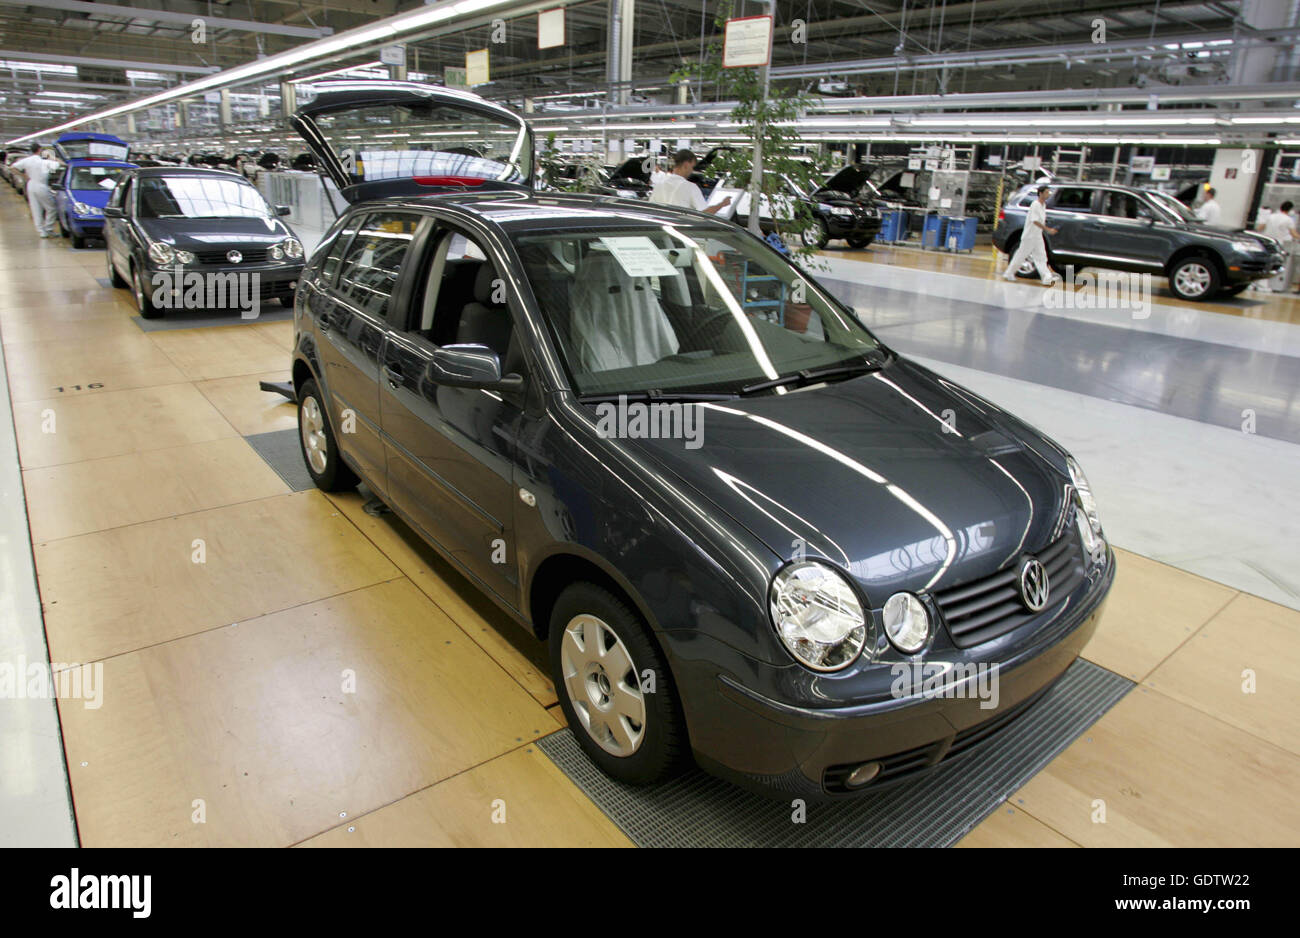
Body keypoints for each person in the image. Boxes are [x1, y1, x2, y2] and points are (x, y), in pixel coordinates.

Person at [1001, 185, 1059, 286]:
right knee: (1021, 255)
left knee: (1041, 257)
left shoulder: (1043, 205)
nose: (1048, 194)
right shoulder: (1035, 204)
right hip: (1029, 236)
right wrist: (1048, 230)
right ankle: (1009, 273)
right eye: (1046, 192)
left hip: (1037, 236)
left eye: (1048, 192)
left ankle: (1046, 278)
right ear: (1040, 193)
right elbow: (1035, 220)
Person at [649, 150, 731, 214]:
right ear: (686, 165)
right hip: (682, 232)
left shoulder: (659, 185)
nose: (692, 171)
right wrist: (722, 204)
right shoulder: (690, 187)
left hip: (662, 232)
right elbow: (705, 214)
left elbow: (650, 210)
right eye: (692, 167)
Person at [13, 143, 61, 238]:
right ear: (39, 150)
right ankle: (48, 228)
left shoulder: (27, 160)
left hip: (30, 184)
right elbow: (58, 165)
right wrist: (51, 157)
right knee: (51, 208)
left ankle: (42, 232)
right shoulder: (44, 162)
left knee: (36, 209)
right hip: (41, 185)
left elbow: (12, 167)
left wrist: (24, 176)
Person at [1259, 200, 1300, 293]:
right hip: (1278, 244)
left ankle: (1259, 284)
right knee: (1274, 264)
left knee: (1264, 263)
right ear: (1289, 210)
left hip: (1266, 242)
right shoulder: (1288, 219)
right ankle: (1268, 285)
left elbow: (1260, 228)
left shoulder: (1271, 216)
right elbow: (1293, 234)